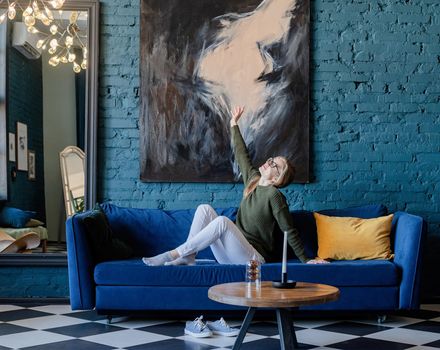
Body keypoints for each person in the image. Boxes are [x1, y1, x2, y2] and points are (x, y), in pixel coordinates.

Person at [143, 106, 327, 266]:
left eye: (275, 165)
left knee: (223, 221)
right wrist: (234, 123)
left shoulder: (274, 196)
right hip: (232, 254)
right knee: (204, 209)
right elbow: (242, 155)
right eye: (271, 159)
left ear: (277, 179)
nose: (269, 162)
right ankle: (188, 256)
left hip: (254, 258)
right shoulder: (253, 180)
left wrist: (306, 259)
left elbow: (289, 230)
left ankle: (175, 253)